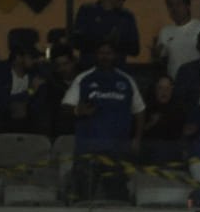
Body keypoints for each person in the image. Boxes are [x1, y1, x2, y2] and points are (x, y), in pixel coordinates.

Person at [62, 42, 145, 201]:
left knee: (117, 199)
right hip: (88, 150)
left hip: (117, 150)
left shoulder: (126, 80)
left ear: (114, 56)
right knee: (83, 198)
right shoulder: (84, 79)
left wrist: (137, 139)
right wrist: (78, 110)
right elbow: (65, 107)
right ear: (95, 55)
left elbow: (140, 111)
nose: (105, 56)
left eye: (108, 53)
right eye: (101, 53)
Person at [71, 0, 140, 68]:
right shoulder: (88, 11)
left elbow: (135, 49)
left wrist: (116, 43)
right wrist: (106, 40)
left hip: (115, 72)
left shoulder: (126, 17)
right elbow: (76, 41)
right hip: (90, 70)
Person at [0, 45, 47, 138]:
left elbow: (38, 103)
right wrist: (30, 91)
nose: (35, 61)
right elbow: (0, 101)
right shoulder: (0, 72)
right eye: (32, 58)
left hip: (27, 118)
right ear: (18, 58)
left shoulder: (37, 73)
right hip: (1, 116)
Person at [154, 0, 200, 80]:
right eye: (170, 5)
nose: (174, 8)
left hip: (197, 80)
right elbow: (160, 57)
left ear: (187, 6)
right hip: (174, 81)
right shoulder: (165, 31)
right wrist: (156, 54)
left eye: (178, 4)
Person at [139, 76, 186, 166]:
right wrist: (151, 123)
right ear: (155, 90)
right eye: (160, 88)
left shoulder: (179, 109)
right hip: (148, 158)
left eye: (167, 88)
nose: (164, 92)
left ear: (172, 90)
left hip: (172, 158)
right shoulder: (144, 109)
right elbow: (136, 135)